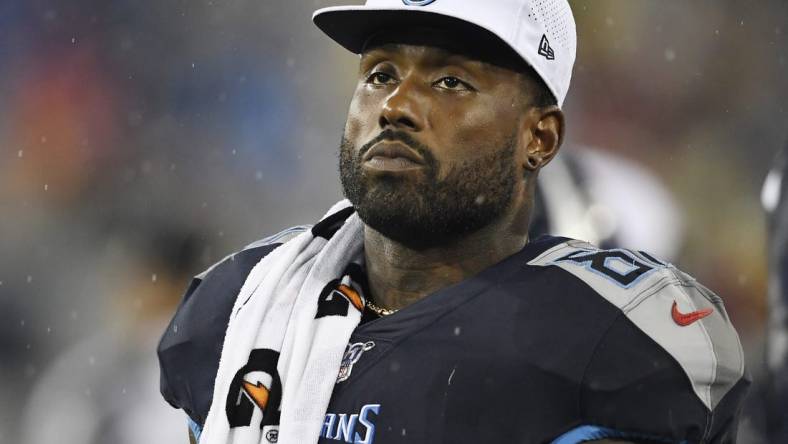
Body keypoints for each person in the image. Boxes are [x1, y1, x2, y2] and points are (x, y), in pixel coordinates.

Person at [158, 1, 749, 443]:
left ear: (538, 137)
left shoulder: (602, 338)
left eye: (449, 82)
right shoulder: (240, 306)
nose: (395, 106)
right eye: (380, 74)